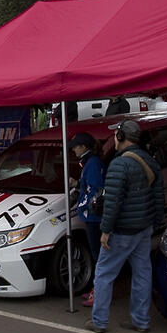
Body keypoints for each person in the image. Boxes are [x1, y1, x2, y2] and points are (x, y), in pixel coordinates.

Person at [86, 120, 163, 333]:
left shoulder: (119, 165)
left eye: (116, 135)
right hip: (143, 228)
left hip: (121, 230)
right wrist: (156, 222)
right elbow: (158, 196)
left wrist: (105, 230)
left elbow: (112, 201)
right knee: (142, 273)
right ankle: (141, 320)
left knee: (104, 273)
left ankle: (99, 321)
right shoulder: (149, 160)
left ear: (120, 137)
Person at [68, 132, 104, 307]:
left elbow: (96, 189)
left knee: (99, 255)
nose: (73, 149)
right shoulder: (89, 162)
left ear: (84, 146)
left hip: (94, 217)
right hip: (90, 215)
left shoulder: (93, 163)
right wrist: (77, 185)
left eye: (76, 146)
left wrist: (87, 205)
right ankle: (96, 288)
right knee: (96, 253)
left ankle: (99, 292)